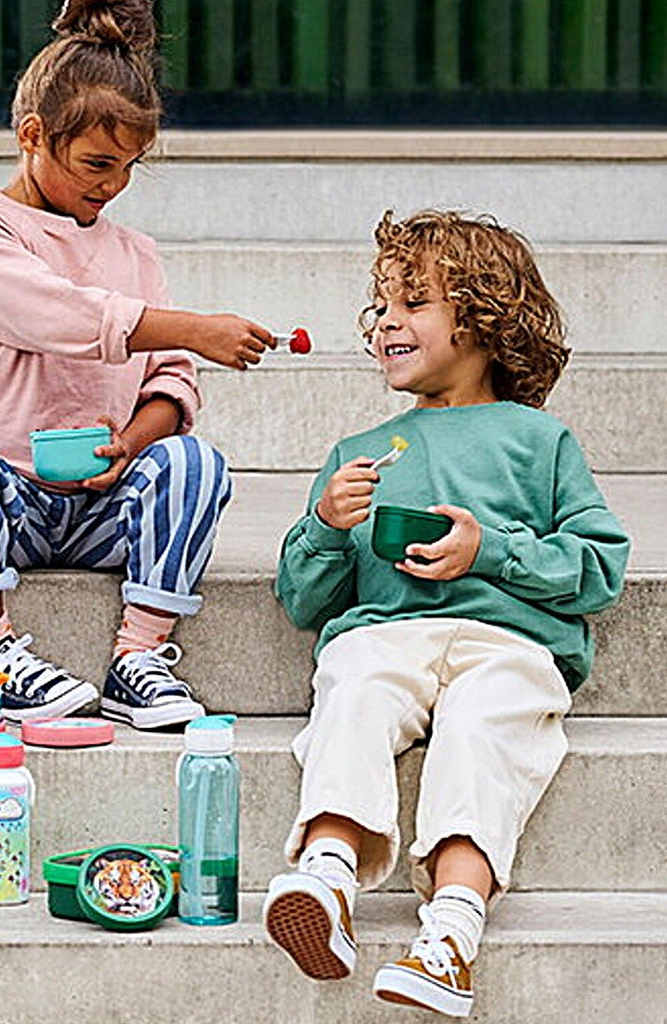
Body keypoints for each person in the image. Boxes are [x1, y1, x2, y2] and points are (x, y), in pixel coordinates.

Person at [262, 209, 630, 1017]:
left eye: (415, 301)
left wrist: (489, 551)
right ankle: (325, 878)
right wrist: (327, 524)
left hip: (510, 641)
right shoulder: (362, 452)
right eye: (384, 304)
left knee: (483, 727)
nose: (388, 320)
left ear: (484, 321)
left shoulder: (540, 441)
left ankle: (452, 933)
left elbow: (600, 568)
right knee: (353, 686)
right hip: (388, 634)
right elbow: (302, 599)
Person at [0, 0, 275, 730]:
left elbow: (172, 379)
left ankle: (137, 658)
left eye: (129, 167)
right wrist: (199, 327)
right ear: (32, 137)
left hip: (106, 503)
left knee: (194, 463)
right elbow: (62, 315)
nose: (112, 183)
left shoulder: (134, 251)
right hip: (14, 495)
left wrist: (133, 444)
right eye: (96, 164)